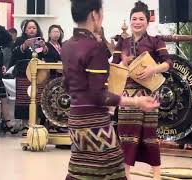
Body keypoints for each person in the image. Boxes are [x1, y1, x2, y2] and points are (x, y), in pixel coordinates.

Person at [62, 0, 159, 179]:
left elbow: (66, 85)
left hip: (75, 121)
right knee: (113, 173)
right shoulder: (94, 47)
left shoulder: (67, 45)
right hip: (95, 124)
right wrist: (136, 101)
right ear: (94, 15)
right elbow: (100, 96)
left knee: (79, 172)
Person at [112, 1, 172, 179]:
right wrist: (123, 63)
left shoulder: (155, 41)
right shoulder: (122, 42)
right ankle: (126, 174)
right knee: (126, 134)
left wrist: (153, 69)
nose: (137, 22)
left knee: (149, 134)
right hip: (127, 94)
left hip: (149, 92)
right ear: (130, 21)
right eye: (134, 19)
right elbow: (114, 66)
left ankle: (157, 174)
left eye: (141, 19)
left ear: (147, 22)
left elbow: (168, 63)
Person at [11, 19, 47, 135]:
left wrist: (44, 48)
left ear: (37, 30)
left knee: (37, 98)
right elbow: (15, 54)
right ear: (25, 29)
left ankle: (36, 124)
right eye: (29, 28)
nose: (31, 30)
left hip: (38, 75)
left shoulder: (40, 41)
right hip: (23, 74)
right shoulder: (20, 40)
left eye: (34, 28)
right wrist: (25, 45)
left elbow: (42, 54)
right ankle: (26, 125)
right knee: (24, 99)